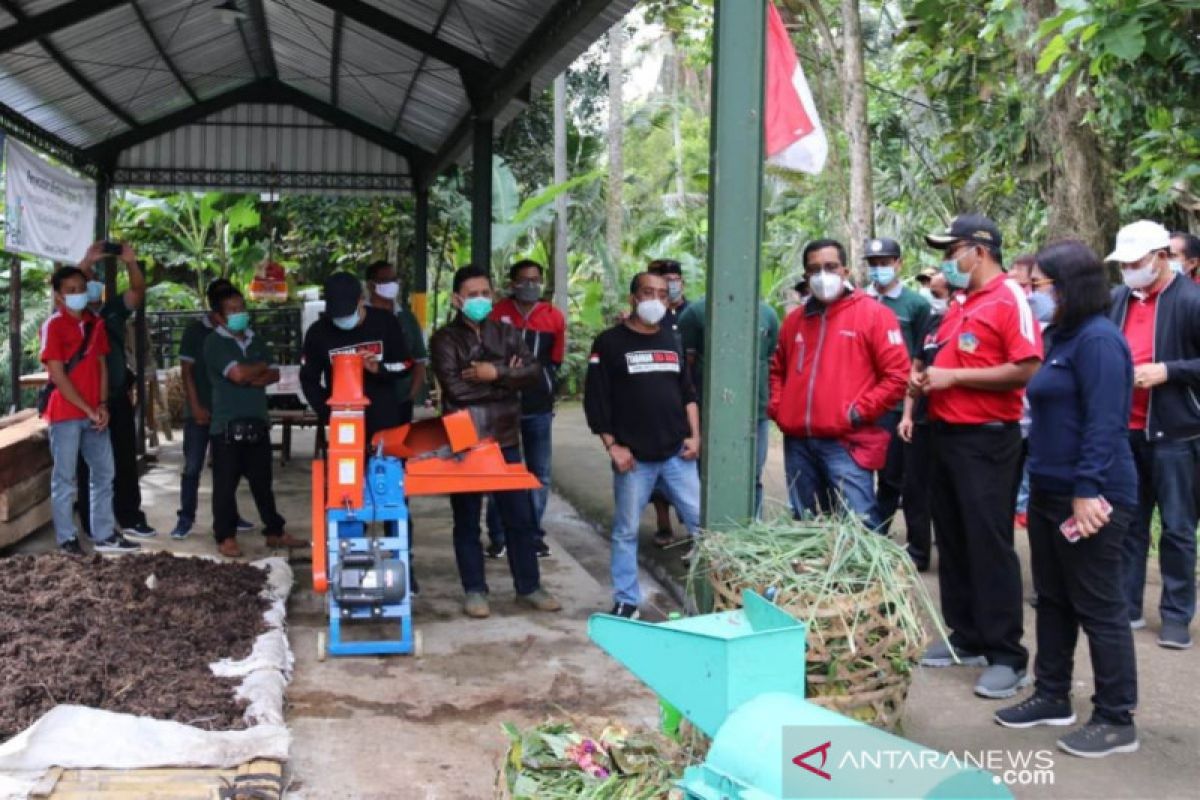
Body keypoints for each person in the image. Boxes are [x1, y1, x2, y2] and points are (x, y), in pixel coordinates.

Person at [995, 240, 1140, 759]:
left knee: (1100, 607)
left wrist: (1087, 491)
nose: (1032, 296)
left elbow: (1105, 423)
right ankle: (1052, 694)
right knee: (1052, 598)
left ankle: (1116, 718)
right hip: (1051, 489)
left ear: (1068, 287)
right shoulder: (1059, 336)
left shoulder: (1099, 341)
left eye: (1038, 287)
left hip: (1094, 494)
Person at [914, 213, 1042, 700]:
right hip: (945, 434)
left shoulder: (1011, 298)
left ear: (979, 251)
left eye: (952, 252)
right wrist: (928, 379)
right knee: (953, 537)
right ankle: (965, 636)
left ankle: (1008, 655)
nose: (948, 262)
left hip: (988, 439)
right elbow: (955, 359)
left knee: (989, 542)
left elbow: (1026, 366)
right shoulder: (962, 302)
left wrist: (956, 379)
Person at [429, 265, 561, 618]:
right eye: (472, 295)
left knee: (519, 516)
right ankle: (475, 590)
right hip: (465, 438)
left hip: (505, 437)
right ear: (458, 299)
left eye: (485, 293)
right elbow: (455, 388)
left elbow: (532, 372)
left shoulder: (507, 332)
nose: (480, 300)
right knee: (467, 518)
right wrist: (507, 379)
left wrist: (495, 373)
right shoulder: (444, 339)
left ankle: (529, 587)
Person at [768, 239, 910, 531]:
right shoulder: (794, 321)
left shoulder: (874, 315)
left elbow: (897, 376)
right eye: (814, 269)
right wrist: (780, 409)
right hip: (798, 443)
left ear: (845, 271)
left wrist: (856, 413)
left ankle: (862, 579)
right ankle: (813, 578)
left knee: (859, 527)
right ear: (806, 276)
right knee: (805, 526)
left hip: (845, 442)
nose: (822, 275)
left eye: (830, 267)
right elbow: (777, 370)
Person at [584, 271, 701, 619]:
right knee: (625, 532)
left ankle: (712, 598)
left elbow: (688, 394)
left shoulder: (672, 339)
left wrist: (694, 436)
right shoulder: (608, 343)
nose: (656, 300)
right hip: (634, 459)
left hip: (677, 455)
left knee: (704, 529)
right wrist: (613, 446)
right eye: (648, 293)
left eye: (663, 295)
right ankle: (626, 600)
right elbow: (596, 400)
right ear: (633, 298)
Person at [1107, 219, 1200, 650]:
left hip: (1176, 433)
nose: (1128, 269)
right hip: (1126, 430)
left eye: (1136, 262)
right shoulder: (1118, 300)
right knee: (1129, 523)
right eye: (1123, 263)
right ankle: (1127, 605)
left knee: (1178, 527)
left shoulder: (1191, 300)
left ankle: (1177, 615)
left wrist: (1169, 371)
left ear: (1162, 259)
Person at [40, 266, 138, 554]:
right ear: (58, 296)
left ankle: (104, 534)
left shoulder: (95, 323)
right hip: (65, 414)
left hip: (94, 413)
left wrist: (103, 405)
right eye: (69, 290)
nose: (77, 294)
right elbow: (58, 375)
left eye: (80, 288)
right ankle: (67, 539)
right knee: (65, 478)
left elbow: (101, 366)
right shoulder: (53, 326)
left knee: (104, 473)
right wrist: (89, 408)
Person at [203, 287, 306, 558]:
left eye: (242, 308)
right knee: (225, 486)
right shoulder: (214, 343)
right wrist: (253, 371)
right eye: (233, 310)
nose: (240, 314)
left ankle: (274, 531)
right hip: (227, 426)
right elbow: (237, 374)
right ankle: (225, 536)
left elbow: (273, 375)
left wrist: (251, 373)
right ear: (219, 316)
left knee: (263, 483)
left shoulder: (254, 338)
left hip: (257, 422)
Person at [73, 242, 156, 542]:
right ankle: (92, 522)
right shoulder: (73, 316)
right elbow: (67, 289)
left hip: (117, 396)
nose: (91, 284)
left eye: (95, 279)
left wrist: (130, 262)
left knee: (124, 458)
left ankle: (130, 517)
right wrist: (87, 259)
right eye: (86, 279)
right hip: (84, 402)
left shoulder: (112, 312)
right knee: (88, 465)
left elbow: (137, 292)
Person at [484, 259, 566, 559]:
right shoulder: (497, 314)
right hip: (502, 406)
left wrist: (543, 382)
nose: (530, 285)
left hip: (538, 406)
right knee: (501, 471)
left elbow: (555, 360)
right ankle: (499, 535)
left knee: (539, 473)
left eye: (535, 280)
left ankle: (531, 534)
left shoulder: (553, 317)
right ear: (512, 284)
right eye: (524, 280)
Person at [677, 295, 779, 518]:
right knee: (707, 472)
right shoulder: (696, 313)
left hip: (756, 411)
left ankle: (753, 532)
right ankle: (703, 531)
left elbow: (770, 361)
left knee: (752, 475)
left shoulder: (768, 314)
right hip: (710, 411)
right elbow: (686, 366)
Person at [172, 279, 251, 540]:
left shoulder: (239, 333)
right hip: (200, 411)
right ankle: (186, 518)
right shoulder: (195, 332)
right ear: (214, 307)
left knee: (227, 468)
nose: (235, 313)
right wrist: (195, 406)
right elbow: (187, 373)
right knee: (192, 466)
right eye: (228, 307)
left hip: (227, 413)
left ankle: (230, 516)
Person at [864, 237, 931, 531]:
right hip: (860, 401)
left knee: (891, 475)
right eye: (874, 264)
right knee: (858, 472)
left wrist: (909, 410)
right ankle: (859, 531)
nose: (879, 269)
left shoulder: (916, 305)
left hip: (894, 403)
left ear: (898, 264)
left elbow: (920, 357)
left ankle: (878, 533)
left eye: (885, 263)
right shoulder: (858, 301)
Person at [301, 272, 415, 441]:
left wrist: (379, 368)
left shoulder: (385, 323)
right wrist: (329, 411)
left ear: (361, 300)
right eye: (337, 315)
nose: (342, 319)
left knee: (383, 466)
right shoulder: (318, 333)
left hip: (384, 421)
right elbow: (309, 379)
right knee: (347, 465)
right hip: (343, 422)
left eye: (347, 313)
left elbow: (405, 365)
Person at [897, 271, 953, 570]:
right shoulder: (931, 324)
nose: (936, 299)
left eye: (941, 293)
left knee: (946, 492)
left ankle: (952, 554)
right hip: (921, 420)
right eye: (933, 293)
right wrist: (907, 414)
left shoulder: (965, 323)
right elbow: (915, 369)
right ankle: (917, 552)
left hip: (951, 423)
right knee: (914, 488)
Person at [644, 259, 692, 544]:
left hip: (686, 401)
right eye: (664, 283)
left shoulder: (694, 314)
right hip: (657, 404)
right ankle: (664, 525)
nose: (671, 286)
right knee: (657, 467)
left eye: (674, 280)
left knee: (686, 468)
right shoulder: (650, 317)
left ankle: (691, 530)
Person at [364, 260, 428, 423]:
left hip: (401, 401)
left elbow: (419, 360)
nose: (392, 284)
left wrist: (410, 395)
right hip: (367, 403)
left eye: (394, 280)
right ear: (371, 285)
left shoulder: (407, 318)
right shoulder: (361, 318)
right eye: (385, 280)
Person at [1011, 253, 1042, 531]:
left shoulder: (1046, 316)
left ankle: (1025, 507)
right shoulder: (1011, 304)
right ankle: (1019, 506)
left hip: (1039, 413)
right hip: (1016, 411)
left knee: (1032, 464)